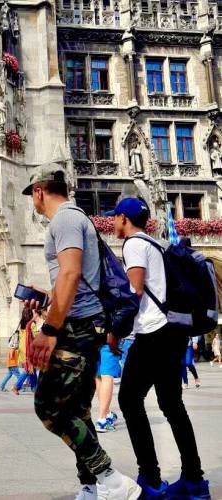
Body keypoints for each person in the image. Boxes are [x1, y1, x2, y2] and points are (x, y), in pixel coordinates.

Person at [22, 165, 141, 500]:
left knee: (49, 406)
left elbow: (71, 274)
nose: (33, 201)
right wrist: (48, 298)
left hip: (79, 326)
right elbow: (72, 278)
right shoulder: (74, 219)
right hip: (85, 321)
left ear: (39, 191)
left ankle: (111, 480)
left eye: (32, 195)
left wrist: (49, 329)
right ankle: (92, 486)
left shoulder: (65, 220)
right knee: (77, 410)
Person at [110, 197, 210, 499]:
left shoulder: (133, 244)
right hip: (172, 332)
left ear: (124, 219)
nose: (112, 222)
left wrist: (116, 331)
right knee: (171, 405)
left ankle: (151, 479)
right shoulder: (155, 244)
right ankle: (194, 481)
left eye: (114, 217)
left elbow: (135, 291)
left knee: (129, 400)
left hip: (153, 333)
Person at [12, 309, 42, 394]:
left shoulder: (22, 324)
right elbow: (36, 337)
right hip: (29, 349)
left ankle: (34, 388)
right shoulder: (31, 324)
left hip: (22, 348)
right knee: (29, 369)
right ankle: (16, 386)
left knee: (32, 369)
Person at [95, 336, 121, 433]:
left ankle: (107, 413)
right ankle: (102, 420)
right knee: (107, 376)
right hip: (110, 337)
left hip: (93, 337)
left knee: (98, 376)